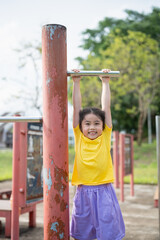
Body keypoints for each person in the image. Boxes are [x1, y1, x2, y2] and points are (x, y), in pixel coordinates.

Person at [70, 69, 125, 240]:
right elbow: (77, 107)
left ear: (103, 126)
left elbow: (105, 107)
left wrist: (105, 82)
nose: (92, 127)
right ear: (81, 125)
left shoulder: (105, 136)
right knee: (82, 227)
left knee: (107, 227)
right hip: (83, 190)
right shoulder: (79, 136)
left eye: (96, 123)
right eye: (87, 123)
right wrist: (76, 82)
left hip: (103, 190)